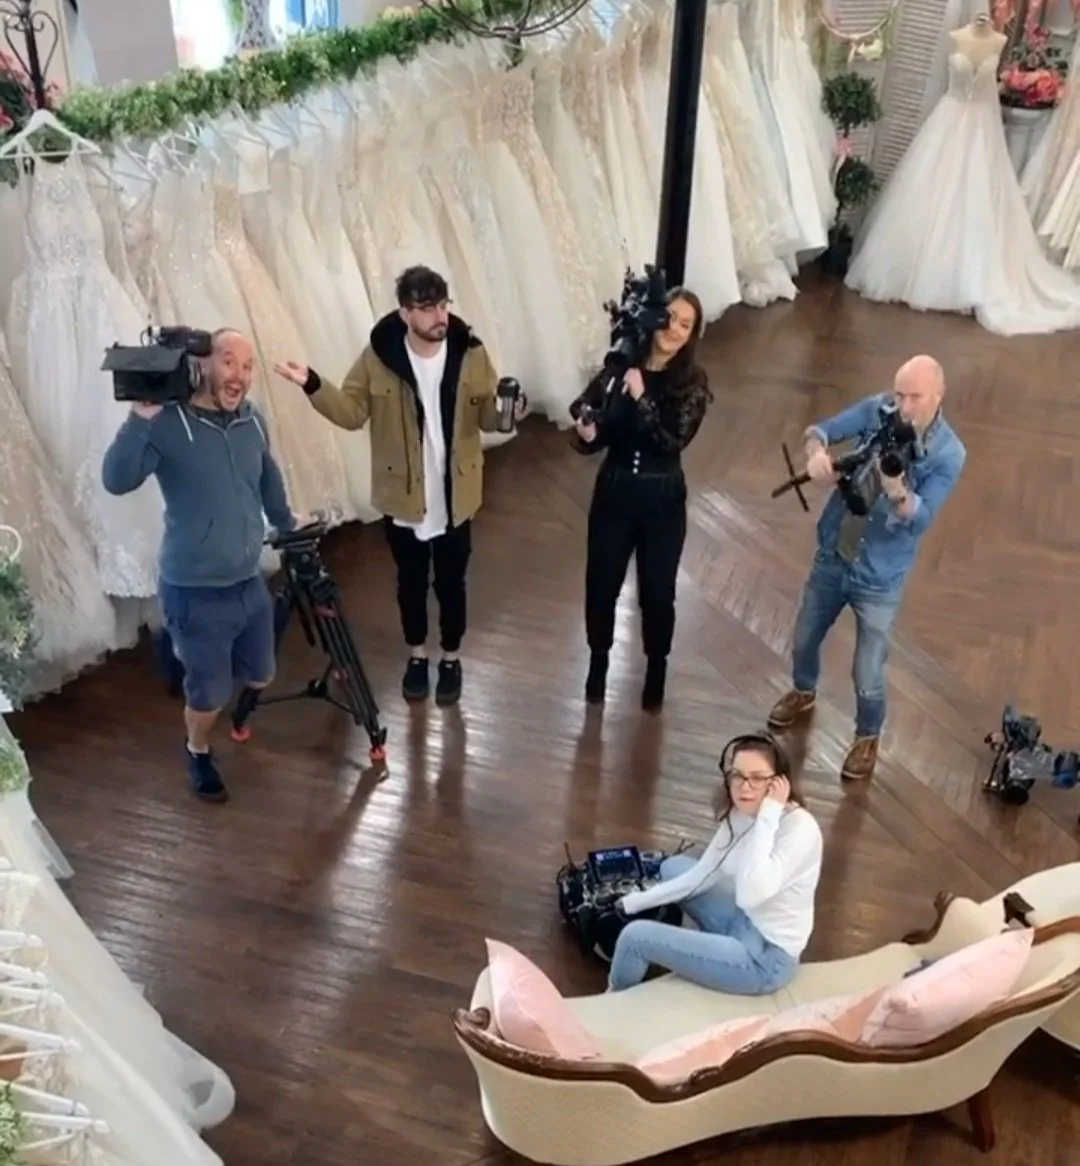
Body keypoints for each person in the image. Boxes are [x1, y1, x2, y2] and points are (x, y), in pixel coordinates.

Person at [274, 266, 525, 707]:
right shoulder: (380, 356)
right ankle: (416, 654)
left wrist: (508, 409)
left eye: (443, 305)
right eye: (427, 308)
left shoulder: (470, 351)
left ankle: (450, 657)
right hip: (403, 495)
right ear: (405, 312)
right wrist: (313, 384)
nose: (439, 316)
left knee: (452, 583)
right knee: (409, 582)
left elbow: (487, 415)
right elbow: (352, 412)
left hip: (456, 495)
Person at [102, 329, 301, 804]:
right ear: (203, 367)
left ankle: (175, 644)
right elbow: (116, 480)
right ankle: (196, 748)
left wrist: (287, 524)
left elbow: (267, 479)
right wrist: (141, 417)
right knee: (209, 695)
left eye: (248, 366)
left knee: (261, 674)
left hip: (247, 581)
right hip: (194, 587)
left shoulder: (253, 420)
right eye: (229, 363)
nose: (240, 376)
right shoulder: (169, 424)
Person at [767, 355, 966, 781]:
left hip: (879, 577)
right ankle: (803, 691)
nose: (904, 407)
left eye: (915, 397)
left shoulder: (950, 453)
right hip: (834, 554)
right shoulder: (879, 410)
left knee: (867, 671)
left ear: (939, 394)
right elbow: (820, 429)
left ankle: (867, 735)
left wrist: (897, 490)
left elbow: (922, 519)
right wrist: (816, 453)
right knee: (803, 639)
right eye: (900, 395)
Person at [571, 288, 712, 712]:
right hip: (615, 490)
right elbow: (595, 417)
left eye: (686, 324)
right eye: (669, 317)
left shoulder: (692, 383)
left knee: (656, 591)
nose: (674, 329)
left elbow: (672, 439)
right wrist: (588, 432)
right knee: (601, 584)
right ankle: (598, 662)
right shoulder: (623, 364)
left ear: (692, 336)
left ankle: (656, 668)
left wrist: (642, 398)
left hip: (661, 498)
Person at [609, 732, 822, 994]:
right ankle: (705, 951)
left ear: (778, 783)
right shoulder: (741, 812)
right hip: (741, 923)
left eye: (757, 778)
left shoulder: (800, 829)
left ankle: (611, 1004)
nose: (744, 787)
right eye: (737, 775)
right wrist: (632, 902)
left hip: (765, 959)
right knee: (672, 867)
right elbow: (702, 874)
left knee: (635, 938)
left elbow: (751, 894)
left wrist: (768, 817)